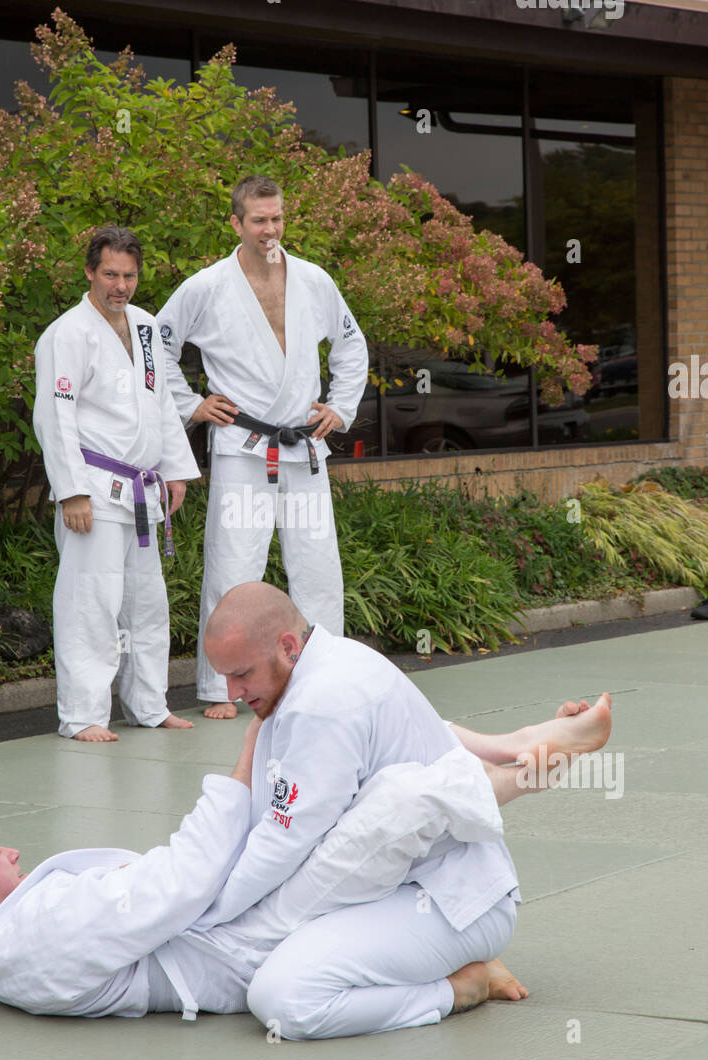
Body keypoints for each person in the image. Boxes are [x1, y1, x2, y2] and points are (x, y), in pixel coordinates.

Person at [0, 720, 533, 1039]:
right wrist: (245, 753)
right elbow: (181, 883)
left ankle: (509, 745)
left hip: (220, 912)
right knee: (378, 827)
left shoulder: (11, 936)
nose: (9, 849)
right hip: (237, 940)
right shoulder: (36, 934)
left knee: (321, 745)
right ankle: (538, 767)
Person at [196, 583, 613, 953]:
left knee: (277, 975)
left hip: (440, 898)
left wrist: (207, 911)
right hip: (434, 877)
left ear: (288, 647)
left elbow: (283, 842)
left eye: (241, 674)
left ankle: (513, 773)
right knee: (384, 742)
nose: (231, 694)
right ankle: (510, 747)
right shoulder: (332, 658)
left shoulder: (319, 704)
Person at [156, 175, 368, 720]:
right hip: (243, 446)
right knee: (233, 567)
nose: (269, 228)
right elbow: (156, 344)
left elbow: (350, 345)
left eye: (276, 218)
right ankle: (218, 688)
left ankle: (328, 676)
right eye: (258, 219)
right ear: (236, 222)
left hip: (304, 447)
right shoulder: (207, 286)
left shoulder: (314, 280)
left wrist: (340, 406)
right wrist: (191, 403)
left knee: (318, 568)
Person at [33, 226, 199, 742]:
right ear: (89, 272)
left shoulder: (147, 328)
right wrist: (72, 490)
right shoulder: (68, 333)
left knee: (146, 606)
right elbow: (53, 415)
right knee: (91, 604)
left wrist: (175, 468)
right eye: (110, 274)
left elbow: (163, 404)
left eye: (128, 275)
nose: (120, 285)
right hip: (96, 489)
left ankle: (149, 705)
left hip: (144, 490)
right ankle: (83, 713)